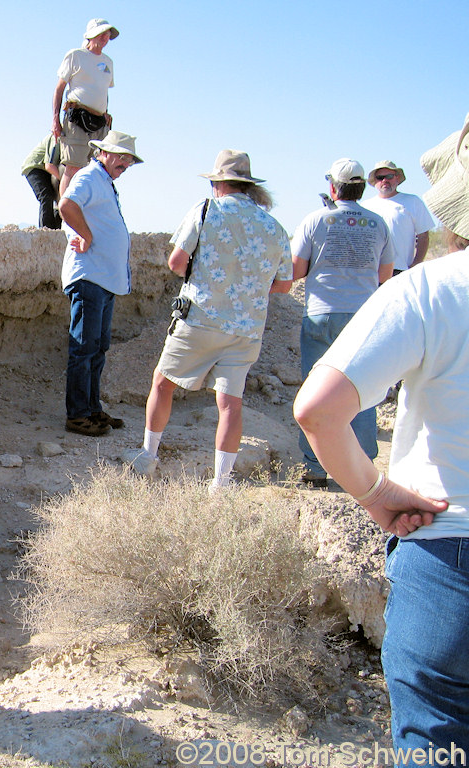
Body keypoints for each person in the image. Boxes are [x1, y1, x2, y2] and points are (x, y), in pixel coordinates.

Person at [293, 112, 469, 764]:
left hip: (448, 556)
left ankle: (324, 472)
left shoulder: (434, 291)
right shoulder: (380, 229)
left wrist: (373, 492)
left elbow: (316, 409)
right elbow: (392, 265)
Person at [123, 150, 292, 490]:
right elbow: (285, 284)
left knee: (162, 382)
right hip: (246, 329)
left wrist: (202, 278)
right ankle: (222, 482)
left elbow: (176, 261)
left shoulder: (205, 211)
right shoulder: (275, 228)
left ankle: (148, 456)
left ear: (217, 184)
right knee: (230, 403)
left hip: (200, 318)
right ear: (248, 187)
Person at [291, 159, 394, 487]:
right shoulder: (378, 224)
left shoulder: (315, 220)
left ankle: (314, 469)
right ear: (362, 188)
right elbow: (384, 276)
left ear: (333, 188)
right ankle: (361, 469)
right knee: (362, 389)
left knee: (315, 391)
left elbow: (296, 271)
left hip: (322, 312)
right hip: (363, 316)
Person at [57, 131, 141, 436]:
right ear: (102, 152)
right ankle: (78, 415)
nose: (127, 162)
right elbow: (66, 205)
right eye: (121, 155)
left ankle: (91, 409)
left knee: (97, 347)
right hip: (89, 276)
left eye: (129, 158)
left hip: (103, 278)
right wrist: (87, 236)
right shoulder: (90, 176)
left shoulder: (102, 181)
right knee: (84, 347)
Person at [52, 18, 117, 197]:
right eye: (102, 33)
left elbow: (103, 91)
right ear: (91, 35)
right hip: (77, 117)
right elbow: (59, 89)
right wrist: (55, 120)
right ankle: (65, 217)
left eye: (108, 34)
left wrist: (106, 117)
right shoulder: (76, 55)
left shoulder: (108, 62)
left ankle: (84, 215)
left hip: (100, 121)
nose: (105, 37)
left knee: (95, 170)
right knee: (73, 167)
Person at [362, 160, 434, 274]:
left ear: (397, 178)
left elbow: (423, 236)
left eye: (389, 176)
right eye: (380, 177)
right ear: (375, 181)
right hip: (371, 271)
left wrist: (416, 264)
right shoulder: (364, 207)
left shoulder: (413, 201)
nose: (385, 180)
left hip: (401, 270)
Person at [21, 135, 62, 229]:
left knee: (59, 198)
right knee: (46, 196)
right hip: (35, 166)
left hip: (49, 170)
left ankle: (57, 228)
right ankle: (46, 230)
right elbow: (49, 165)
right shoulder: (56, 138)